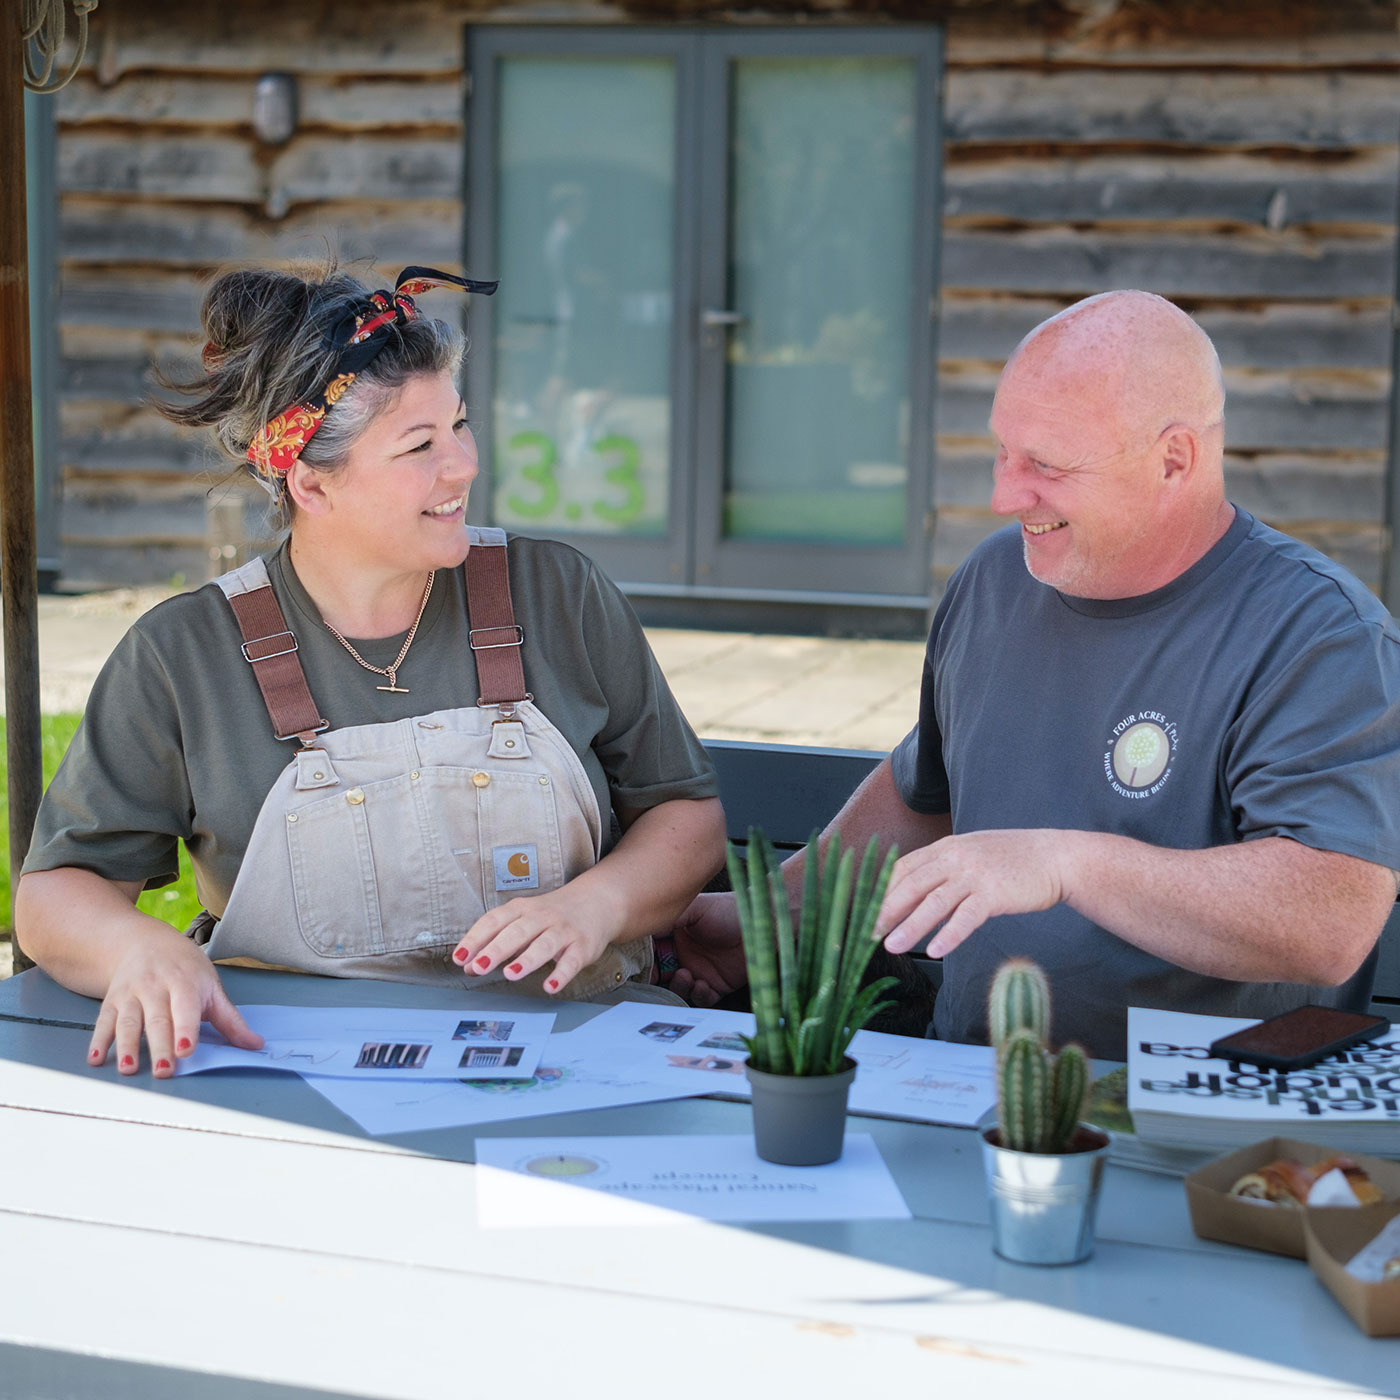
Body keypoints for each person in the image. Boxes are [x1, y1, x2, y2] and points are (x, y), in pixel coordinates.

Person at [17, 261, 726, 1077]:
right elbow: (55, 892)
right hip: (293, 1082)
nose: (462, 465)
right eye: (420, 446)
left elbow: (686, 814)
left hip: (579, 1062)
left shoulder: (556, 593)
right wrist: (137, 949)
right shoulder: (184, 654)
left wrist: (596, 905)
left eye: (459, 426)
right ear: (311, 483)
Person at [671, 289, 1400, 1060]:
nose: (1003, 494)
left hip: (1208, 1127)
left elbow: (1330, 921)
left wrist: (1065, 864)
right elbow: (929, 795)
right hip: (962, 1080)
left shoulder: (1318, 634)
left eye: (1045, 464)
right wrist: (767, 926)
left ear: (1173, 459)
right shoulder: (994, 580)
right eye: (1003, 451)